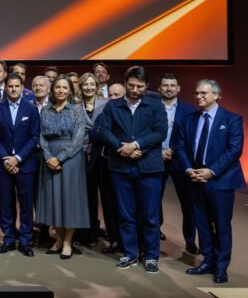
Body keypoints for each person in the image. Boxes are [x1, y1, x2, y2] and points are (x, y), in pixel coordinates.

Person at [92, 66, 167, 273]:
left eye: (140, 86)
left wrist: (135, 145)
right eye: (131, 85)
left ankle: (151, 255)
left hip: (148, 167)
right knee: (125, 214)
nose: (135, 90)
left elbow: (160, 132)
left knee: (150, 215)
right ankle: (129, 252)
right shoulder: (113, 106)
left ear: (147, 86)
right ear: (125, 83)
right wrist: (120, 147)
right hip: (120, 166)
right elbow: (103, 130)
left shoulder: (155, 105)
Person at [172, 79, 244, 284]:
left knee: (221, 225)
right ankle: (207, 261)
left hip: (220, 182)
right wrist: (188, 169)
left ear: (217, 95)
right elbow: (181, 146)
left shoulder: (232, 119)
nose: (198, 97)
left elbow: (234, 150)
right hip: (194, 180)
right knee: (202, 225)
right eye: (196, 93)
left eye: (203, 93)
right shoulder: (189, 119)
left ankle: (221, 267)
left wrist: (211, 171)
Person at [37, 76, 89, 259]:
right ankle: (57, 240)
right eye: (57, 87)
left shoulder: (76, 110)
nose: (60, 90)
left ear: (70, 90)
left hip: (71, 159)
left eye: (64, 87)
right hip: (49, 157)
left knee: (69, 200)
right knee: (54, 199)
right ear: (52, 90)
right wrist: (48, 156)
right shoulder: (45, 110)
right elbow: (41, 136)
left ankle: (67, 242)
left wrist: (59, 158)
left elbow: (77, 140)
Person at [0, 74, 41, 256]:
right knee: (5, 204)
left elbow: (34, 137)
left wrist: (17, 158)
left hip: (25, 165)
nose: (13, 89)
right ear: (5, 87)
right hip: (2, 165)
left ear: (22, 87)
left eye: (16, 86)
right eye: (10, 86)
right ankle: (9, 238)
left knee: (26, 205)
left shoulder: (31, 109)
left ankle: (25, 241)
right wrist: (6, 158)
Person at [158, 73, 199, 255]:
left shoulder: (190, 111)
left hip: (180, 161)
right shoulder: (151, 108)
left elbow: (191, 139)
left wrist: (175, 151)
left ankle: (190, 240)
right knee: (152, 200)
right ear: (159, 88)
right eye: (165, 85)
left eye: (172, 85)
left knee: (188, 203)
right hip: (156, 158)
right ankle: (154, 232)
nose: (169, 88)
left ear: (179, 88)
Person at [75, 72, 112, 248]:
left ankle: (113, 236)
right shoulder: (74, 106)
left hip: (102, 155)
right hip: (81, 155)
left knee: (107, 197)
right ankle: (87, 234)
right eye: (85, 85)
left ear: (97, 86)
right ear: (80, 87)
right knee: (86, 197)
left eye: (91, 84)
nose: (88, 87)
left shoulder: (107, 104)